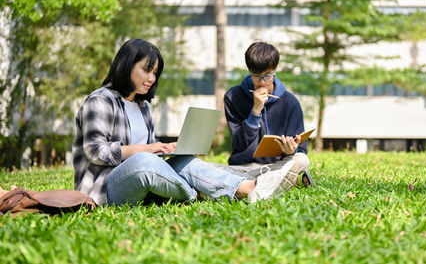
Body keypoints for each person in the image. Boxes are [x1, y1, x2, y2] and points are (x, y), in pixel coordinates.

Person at [72, 38, 298, 206]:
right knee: (143, 161)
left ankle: (249, 189)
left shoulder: (143, 107)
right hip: (105, 189)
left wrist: (166, 149)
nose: (151, 79)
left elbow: (149, 151)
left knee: (185, 162)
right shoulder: (100, 101)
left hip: (144, 176)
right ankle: (205, 190)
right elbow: (95, 151)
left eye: (155, 73)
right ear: (126, 65)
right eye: (146, 70)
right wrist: (147, 149)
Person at [223, 41, 314, 187]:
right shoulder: (233, 96)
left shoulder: (290, 102)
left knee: (302, 159)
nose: (262, 82)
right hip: (243, 167)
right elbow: (239, 144)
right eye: (257, 76)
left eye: (267, 75)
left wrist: (290, 150)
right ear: (249, 71)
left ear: (275, 69)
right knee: (206, 168)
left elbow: (301, 149)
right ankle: (282, 181)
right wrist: (255, 110)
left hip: (278, 164)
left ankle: (259, 182)